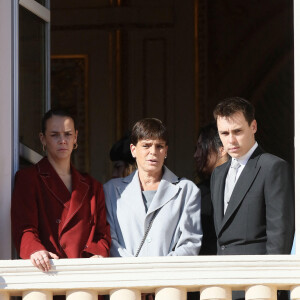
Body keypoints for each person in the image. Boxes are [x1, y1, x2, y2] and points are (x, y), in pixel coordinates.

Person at [11, 108, 111, 273]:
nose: (62, 140)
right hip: (48, 273)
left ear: (76, 137)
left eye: (68, 134)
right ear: (42, 139)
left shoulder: (93, 186)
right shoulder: (28, 179)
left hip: (84, 277)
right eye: (55, 135)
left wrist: (98, 254)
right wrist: (35, 250)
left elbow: (103, 234)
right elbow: (24, 228)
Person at [104, 118, 202, 257]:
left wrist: (160, 271)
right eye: (146, 145)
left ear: (166, 151)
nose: (153, 152)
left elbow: (190, 242)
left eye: (159, 146)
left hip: (169, 276)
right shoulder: (111, 191)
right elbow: (109, 240)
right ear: (133, 150)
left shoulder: (186, 190)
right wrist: (132, 270)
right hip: (126, 276)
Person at [211, 97, 295, 255]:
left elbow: (280, 234)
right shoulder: (218, 173)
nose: (231, 140)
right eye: (224, 133)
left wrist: (271, 277)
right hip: (223, 272)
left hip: (257, 273)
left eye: (237, 131)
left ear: (253, 126)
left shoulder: (273, 167)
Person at [194, 122, 228, 255]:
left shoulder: (244, 185)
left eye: (200, 148)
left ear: (222, 149)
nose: (196, 155)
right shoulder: (198, 192)